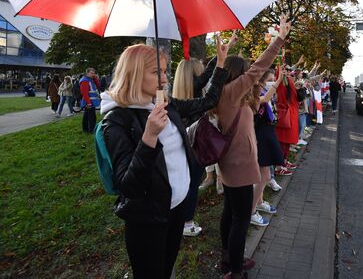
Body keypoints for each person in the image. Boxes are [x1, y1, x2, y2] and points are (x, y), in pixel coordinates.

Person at [100, 39, 229, 279]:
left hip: (177, 206)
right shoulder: (117, 120)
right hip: (148, 217)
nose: (165, 78)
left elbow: (207, 102)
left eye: (165, 69)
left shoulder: (164, 104)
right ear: (135, 73)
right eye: (156, 72)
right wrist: (149, 137)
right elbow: (129, 186)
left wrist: (220, 65)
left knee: (167, 267)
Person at [215, 14, 291, 279]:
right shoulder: (231, 92)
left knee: (230, 214)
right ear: (238, 74)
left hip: (233, 164)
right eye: (245, 70)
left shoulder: (230, 96)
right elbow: (259, 68)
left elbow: (256, 94)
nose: (251, 73)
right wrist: (278, 40)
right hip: (240, 166)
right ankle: (235, 269)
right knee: (240, 219)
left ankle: (228, 257)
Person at [171, 32, 237, 238]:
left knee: (186, 180)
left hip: (182, 142)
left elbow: (206, 74)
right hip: (196, 141)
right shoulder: (196, 90)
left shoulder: (179, 92)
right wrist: (220, 60)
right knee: (191, 182)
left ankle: (182, 218)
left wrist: (222, 54)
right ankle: (187, 221)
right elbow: (209, 78)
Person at [250, 67, 285, 227]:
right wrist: (277, 82)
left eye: (272, 80)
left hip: (266, 133)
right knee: (263, 176)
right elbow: (262, 101)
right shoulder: (254, 94)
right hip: (260, 136)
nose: (270, 84)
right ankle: (251, 211)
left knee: (263, 175)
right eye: (268, 80)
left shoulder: (260, 92)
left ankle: (259, 202)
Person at [80, 68, 101, 133]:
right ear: (87, 73)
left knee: (87, 116)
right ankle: (92, 130)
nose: (93, 74)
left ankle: (86, 129)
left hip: (91, 101)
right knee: (92, 117)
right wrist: (88, 103)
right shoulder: (85, 81)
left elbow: (98, 86)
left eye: (94, 73)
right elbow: (85, 93)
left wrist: (95, 78)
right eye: (91, 73)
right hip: (89, 102)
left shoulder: (90, 80)